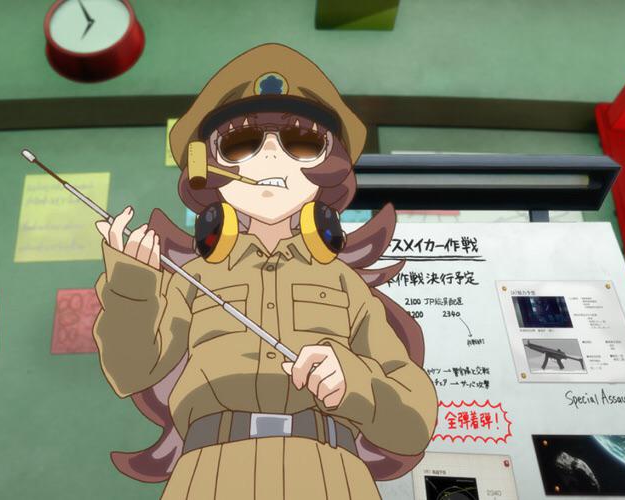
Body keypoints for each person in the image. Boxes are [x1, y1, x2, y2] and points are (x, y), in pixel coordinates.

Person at [93, 43, 437, 499]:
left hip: (331, 476)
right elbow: (131, 373)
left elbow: (413, 424)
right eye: (241, 143)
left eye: (301, 142)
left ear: (328, 169)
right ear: (207, 170)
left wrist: (354, 383)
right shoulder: (194, 279)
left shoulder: (345, 284)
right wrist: (132, 286)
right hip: (209, 476)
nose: (271, 157)